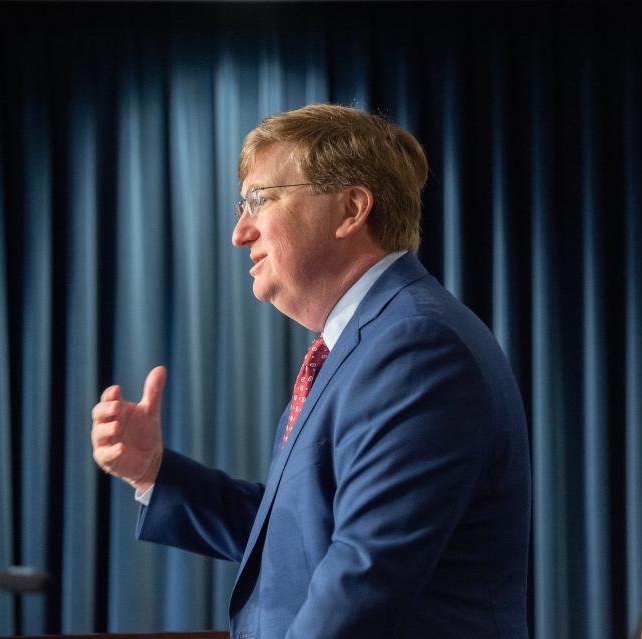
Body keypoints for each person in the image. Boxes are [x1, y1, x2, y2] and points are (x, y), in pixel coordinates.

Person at [90, 104, 531, 638]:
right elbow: (296, 539)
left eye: (259, 200)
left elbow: (365, 580)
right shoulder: (362, 344)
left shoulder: (416, 347)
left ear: (351, 208)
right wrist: (154, 471)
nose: (240, 232)